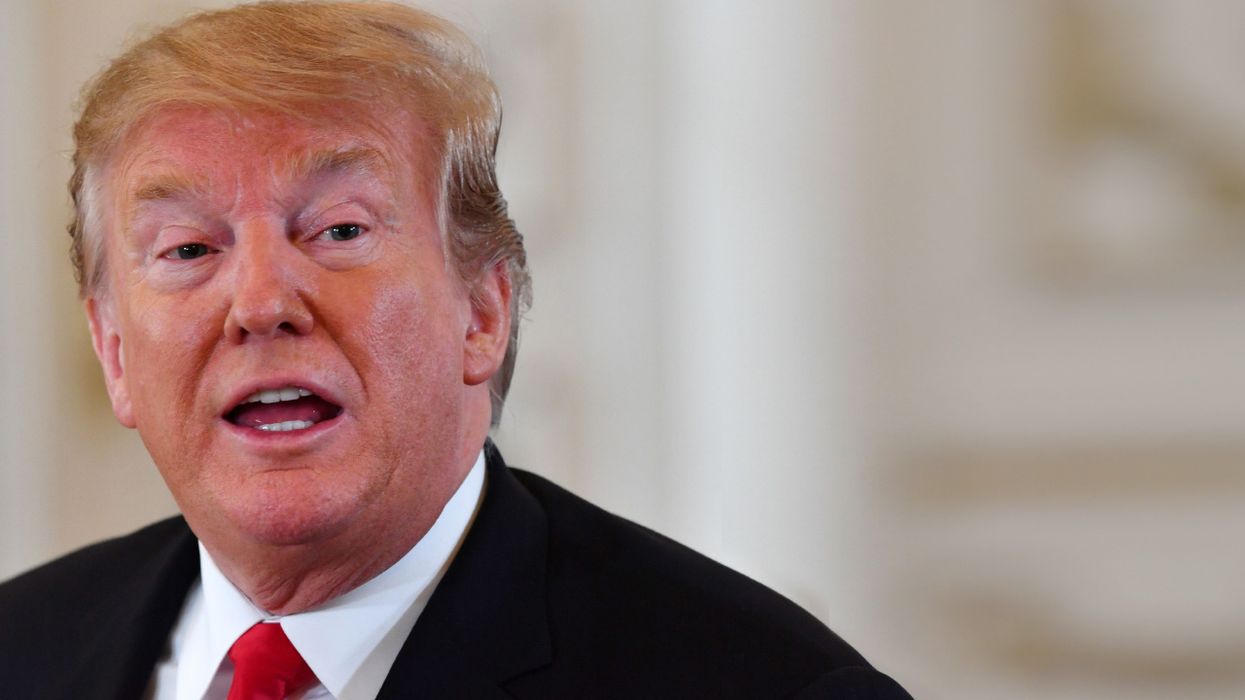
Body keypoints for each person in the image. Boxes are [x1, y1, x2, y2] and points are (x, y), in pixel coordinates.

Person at [0, 2, 912, 698]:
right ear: (115, 351)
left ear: (482, 311)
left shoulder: (761, 686)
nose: (262, 302)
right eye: (190, 249)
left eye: (339, 230)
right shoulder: (23, 647)